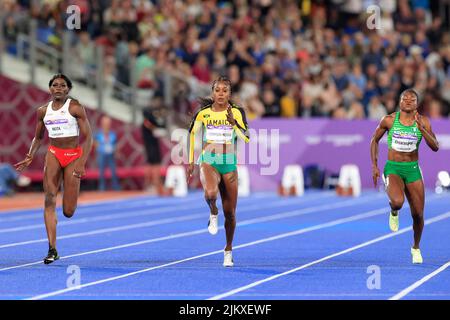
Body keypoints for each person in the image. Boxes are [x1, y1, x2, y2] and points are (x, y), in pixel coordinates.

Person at [14, 74, 93, 264]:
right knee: (49, 198)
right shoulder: (42, 111)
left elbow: (89, 137)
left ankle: (70, 193)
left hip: (73, 156)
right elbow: (38, 137)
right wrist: (30, 154)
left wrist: (82, 161)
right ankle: (52, 249)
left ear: (67, 89)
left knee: (68, 211)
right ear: (50, 89)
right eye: (55, 85)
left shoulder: (75, 108)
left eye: (62, 85)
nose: (58, 88)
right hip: (54, 154)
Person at [187, 76, 250, 267]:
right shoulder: (203, 113)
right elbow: (191, 134)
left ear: (229, 94)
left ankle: (228, 250)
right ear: (212, 93)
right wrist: (191, 160)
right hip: (209, 160)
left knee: (230, 213)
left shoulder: (237, 112)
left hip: (229, 162)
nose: (221, 93)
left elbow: (246, 138)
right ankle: (213, 211)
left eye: (225, 90)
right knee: (211, 193)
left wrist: (233, 123)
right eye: (217, 90)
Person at [370, 89, 439, 264]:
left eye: (412, 99)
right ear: (399, 102)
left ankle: (415, 247)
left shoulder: (423, 121)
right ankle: (394, 210)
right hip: (393, 167)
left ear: (417, 103)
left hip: (412, 169)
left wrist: (422, 130)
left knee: (418, 214)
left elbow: (435, 146)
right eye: (404, 98)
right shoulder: (389, 120)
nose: (408, 100)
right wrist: (374, 165)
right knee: (398, 202)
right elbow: (374, 140)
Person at [142, 96, 166, 194]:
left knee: (151, 165)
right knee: (155, 165)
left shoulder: (146, 123)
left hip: (151, 146)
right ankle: (154, 184)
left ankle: (150, 184)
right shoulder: (147, 123)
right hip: (151, 147)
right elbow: (156, 127)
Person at [94, 115, 120, 191]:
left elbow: (115, 144)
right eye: (105, 123)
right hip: (102, 154)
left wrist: (116, 152)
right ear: (102, 124)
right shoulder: (98, 134)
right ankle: (102, 187)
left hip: (111, 154)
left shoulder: (112, 134)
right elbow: (95, 143)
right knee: (101, 172)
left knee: (113, 171)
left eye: (108, 123)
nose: (106, 125)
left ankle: (116, 186)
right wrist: (98, 148)